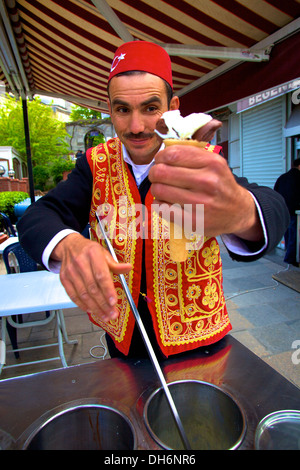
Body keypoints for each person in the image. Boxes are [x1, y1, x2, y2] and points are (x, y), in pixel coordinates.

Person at [17, 41, 289, 359]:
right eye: (122, 109)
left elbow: (273, 205)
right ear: (110, 109)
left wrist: (243, 213)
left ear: (172, 106)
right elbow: (39, 216)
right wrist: (70, 245)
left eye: (150, 108)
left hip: (199, 339)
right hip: (124, 339)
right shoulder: (94, 164)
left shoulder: (201, 160)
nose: (136, 127)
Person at [274, 158, 300, 266]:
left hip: (283, 211)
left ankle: (288, 255)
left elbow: (275, 192)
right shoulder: (297, 177)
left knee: (288, 234)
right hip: (294, 211)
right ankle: (290, 258)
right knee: (294, 235)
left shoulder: (282, 177)